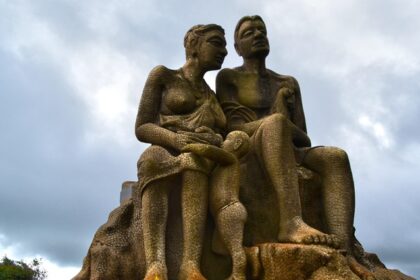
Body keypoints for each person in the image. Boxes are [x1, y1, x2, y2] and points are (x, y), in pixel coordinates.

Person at [217, 15, 376, 279]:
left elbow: (303, 137)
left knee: (335, 156)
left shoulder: (287, 82)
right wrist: (276, 114)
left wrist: (279, 114)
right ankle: (290, 222)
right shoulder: (229, 78)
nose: (257, 35)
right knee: (277, 122)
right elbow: (231, 128)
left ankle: (344, 251)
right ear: (237, 48)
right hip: (250, 144)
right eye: (248, 33)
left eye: (261, 30)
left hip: (289, 147)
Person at [135, 24, 228, 280]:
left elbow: (225, 133)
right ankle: (155, 264)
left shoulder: (213, 95)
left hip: (200, 154)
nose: (225, 50)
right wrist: (176, 140)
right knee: (152, 159)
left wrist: (213, 138)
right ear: (194, 45)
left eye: (225, 44)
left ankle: (191, 264)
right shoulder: (163, 76)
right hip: (165, 146)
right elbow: (142, 127)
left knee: (194, 162)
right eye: (217, 43)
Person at [182, 130, 250, 280]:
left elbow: (209, 151)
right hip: (223, 211)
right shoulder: (221, 166)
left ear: (237, 144)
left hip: (229, 208)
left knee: (234, 247)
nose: (222, 142)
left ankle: (239, 275)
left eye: (227, 140)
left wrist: (190, 146)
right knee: (223, 247)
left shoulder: (231, 159)